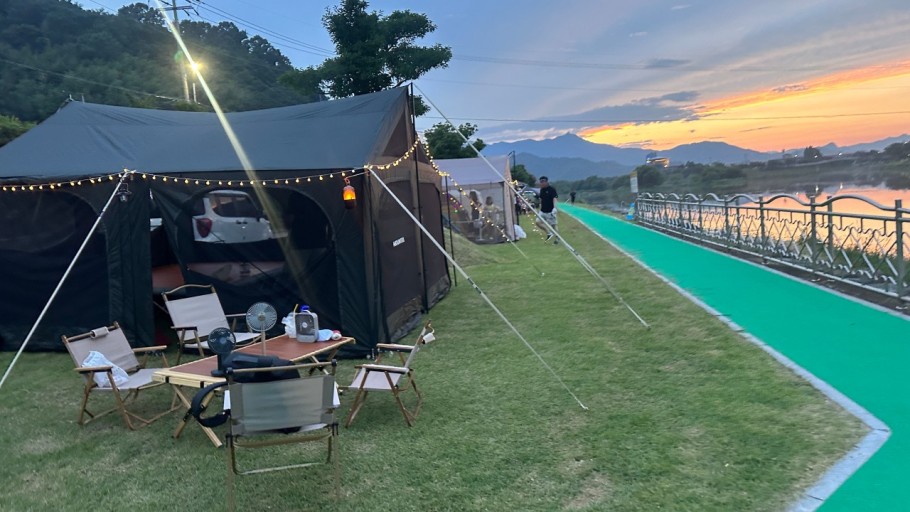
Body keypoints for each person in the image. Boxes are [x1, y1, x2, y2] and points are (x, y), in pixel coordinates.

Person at [536, 176, 558, 243]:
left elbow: (554, 198)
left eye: (543, 182)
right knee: (538, 222)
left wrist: (555, 208)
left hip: (550, 211)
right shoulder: (541, 190)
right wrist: (539, 208)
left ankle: (557, 238)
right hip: (542, 211)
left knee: (553, 225)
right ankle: (549, 233)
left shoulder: (552, 189)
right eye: (541, 182)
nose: (541, 183)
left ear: (546, 182)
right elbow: (541, 200)